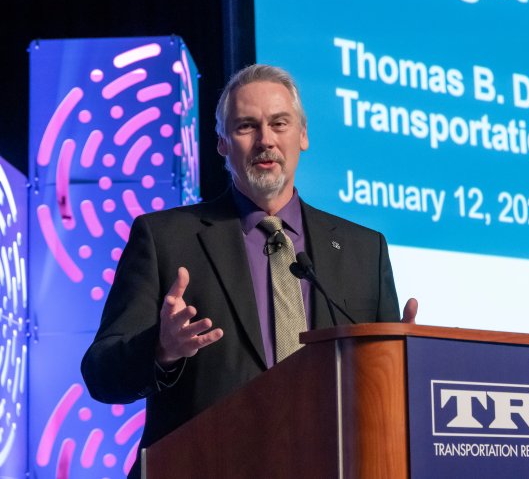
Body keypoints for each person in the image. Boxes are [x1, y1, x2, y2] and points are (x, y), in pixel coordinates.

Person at [81, 64, 416, 471]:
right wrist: (161, 348)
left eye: (279, 123)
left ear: (303, 136)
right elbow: (101, 373)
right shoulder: (165, 238)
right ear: (222, 143)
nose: (266, 141)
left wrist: (408, 360)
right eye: (246, 127)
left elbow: (385, 395)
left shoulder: (365, 250)